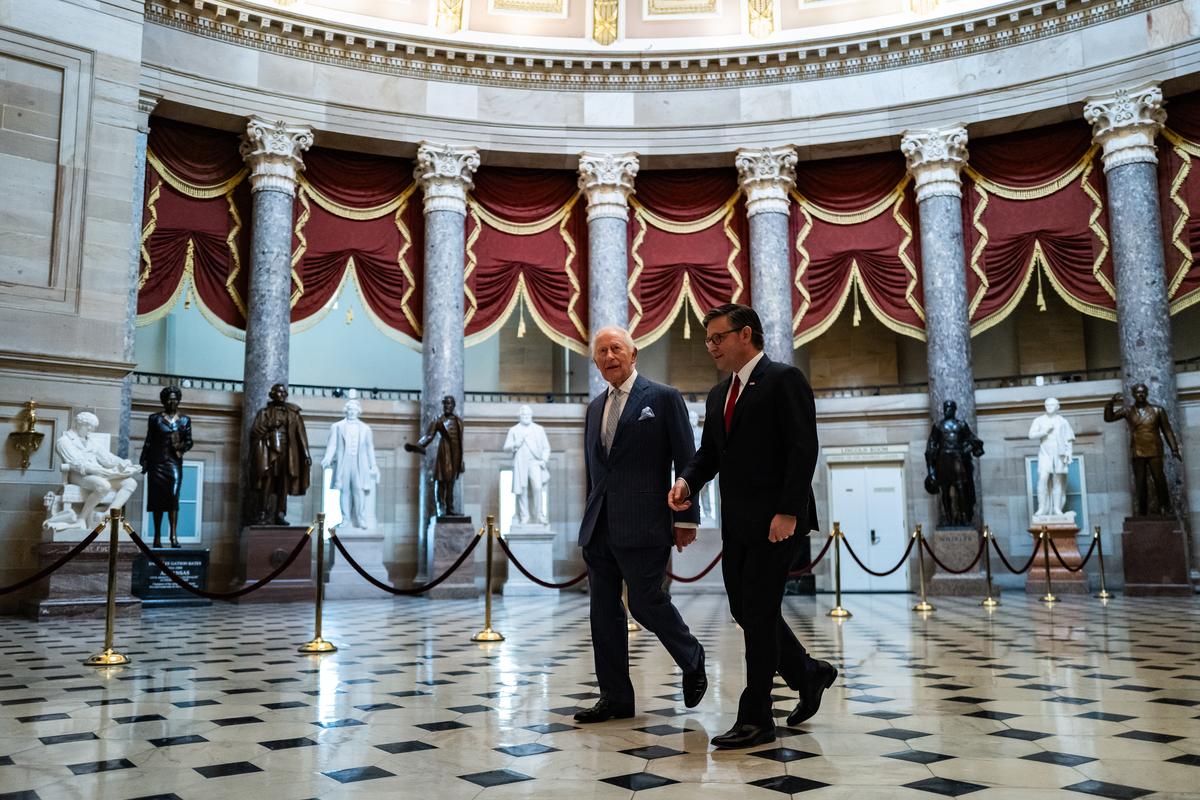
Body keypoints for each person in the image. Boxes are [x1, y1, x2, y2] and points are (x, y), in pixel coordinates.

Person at [668, 303, 835, 750]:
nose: (711, 347)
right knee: (746, 611)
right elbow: (709, 453)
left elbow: (803, 449)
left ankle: (757, 715)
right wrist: (686, 480)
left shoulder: (784, 379)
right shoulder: (719, 394)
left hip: (777, 521)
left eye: (718, 337)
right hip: (738, 524)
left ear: (746, 335)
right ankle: (808, 673)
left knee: (758, 612)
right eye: (708, 340)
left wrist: (789, 511)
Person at [574, 325, 707, 724]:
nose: (609, 356)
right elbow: (595, 469)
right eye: (601, 352)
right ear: (596, 362)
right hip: (599, 526)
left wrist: (686, 518)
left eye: (616, 349)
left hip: (645, 523)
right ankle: (615, 697)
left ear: (634, 354)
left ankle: (692, 656)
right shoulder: (595, 407)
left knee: (647, 604)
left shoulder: (663, 398)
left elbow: (688, 459)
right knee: (603, 612)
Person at [1104, 382, 1182, 515]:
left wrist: (1174, 449)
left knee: (1159, 479)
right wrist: (1110, 403)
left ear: (1147, 393)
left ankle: (1165, 507)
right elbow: (1109, 418)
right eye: (1138, 392)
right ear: (1133, 394)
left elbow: (1167, 430)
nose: (1141, 394)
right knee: (1140, 482)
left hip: (1154, 449)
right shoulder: (1128, 411)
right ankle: (1142, 511)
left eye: (1143, 392)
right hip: (1137, 450)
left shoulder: (1158, 410)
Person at [57, 411, 139, 529]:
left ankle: (108, 515)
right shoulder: (64, 441)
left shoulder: (92, 441)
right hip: (79, 475)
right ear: (80, 423)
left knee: (130, 482)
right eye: (89, 426)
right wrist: (98, 470)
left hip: (99, 474)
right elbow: (75, 463)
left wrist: (123, 463)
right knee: (103, 485)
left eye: (93, 427)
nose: (91, 430)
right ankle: (81, 519)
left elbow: (108, 458)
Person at [249, 383, 311, 526]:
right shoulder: (263, 413)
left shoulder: (293, 413)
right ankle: (262, 513)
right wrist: (269, 425)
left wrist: (306, 455)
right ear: (272, 394)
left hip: (288, 451)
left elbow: (301, 435)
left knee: (284, 483)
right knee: (267, 482)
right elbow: (254, 433)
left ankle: (280, 514)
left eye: (284, 393)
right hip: (269, 451)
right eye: (279, 392)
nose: (282, 395)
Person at [140, 386, 193, 547]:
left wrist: (180, 447)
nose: (172, 401)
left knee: (173, 498)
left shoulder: (184, 420)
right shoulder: (154, 418)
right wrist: (144, 460)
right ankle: (157, 536)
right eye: (169, 398)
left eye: (175, 398)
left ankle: (173, 536)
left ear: (179, 400)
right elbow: (149, 441)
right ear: (163, 400)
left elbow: (190, 441)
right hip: (157, 463)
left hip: (174, 463)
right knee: (157, 500)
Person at [924, 399, 985, 526]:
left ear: (954, 409)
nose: (947, 409)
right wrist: (931, 471)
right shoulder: (938, 426)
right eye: (946, 407)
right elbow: (931, 445)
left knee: (961, 488)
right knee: (944, 489)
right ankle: (948, 517)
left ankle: (964, 516)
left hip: (957, 458)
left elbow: (971, 439)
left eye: (950, 407)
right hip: (943, 459)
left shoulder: (961, 425)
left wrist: (969, 448)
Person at [322, 399, 380, 530]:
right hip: (344, 461)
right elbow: (332, 444)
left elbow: (370, 447)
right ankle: (345, 518)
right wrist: (327, 457)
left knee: (358, 489)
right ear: (346, 411)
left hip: (360, 462)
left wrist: (373, 465)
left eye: (354, 410)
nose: (352, 412)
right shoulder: (337, 426)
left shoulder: (365, 428)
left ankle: (360, 518)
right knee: (344, 491)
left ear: (358, 412)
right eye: (350, 409)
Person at [405, 395, 466, 517]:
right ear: (443, 405)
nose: (447, 406)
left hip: (456, 456)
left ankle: (450, 508)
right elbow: (429, 436)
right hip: (444, 453)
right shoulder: (438, 420)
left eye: (449, 404)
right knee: (441, 481)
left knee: (451, 483)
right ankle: (441, 508)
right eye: (445, 404)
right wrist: (418, 446)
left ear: (453, 406)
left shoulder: (459, 421)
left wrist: (461, 461)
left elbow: (460, 441)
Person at [503, 404, 551, 525]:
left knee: (538, 488)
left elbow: (546, 448)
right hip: (520, 463)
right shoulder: (514, 430)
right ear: (520, 416)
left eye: (528, 414)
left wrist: (543, 461)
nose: (526, 416)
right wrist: (515, 444)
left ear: (531, 415)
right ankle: (524, 516)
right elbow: (506, 447)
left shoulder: (538, 429)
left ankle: (539, 515)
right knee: (522, 489)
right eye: (523, 414)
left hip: (535, 463)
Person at [1028, 397, 1074, 517]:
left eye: (1052, 405)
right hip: (1045, 454)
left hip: (1059, 455)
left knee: (1057, 481)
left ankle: (1056, 508)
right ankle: (1042, 508)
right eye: (1047, 405)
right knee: (1043, 478)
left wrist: (1069, 452)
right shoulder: (1039, 420)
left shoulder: (1063, 421)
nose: (1049, 407)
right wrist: (1044, 432)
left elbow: (1068, 438)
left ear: (1058, 407)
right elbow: (1031, 435)